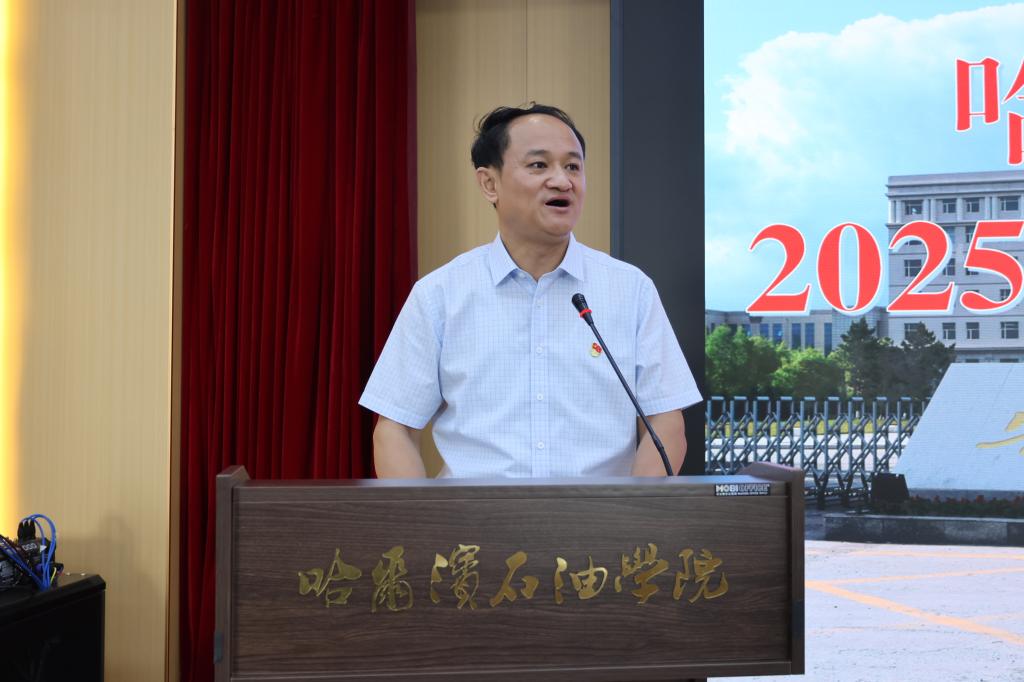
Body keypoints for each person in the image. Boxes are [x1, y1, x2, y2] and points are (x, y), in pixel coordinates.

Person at [359, 103, 701, 478]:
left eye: (573, 167)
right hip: (473, 517)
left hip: (598, 516)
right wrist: (422, 514)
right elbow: (393, 429)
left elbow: (665, 422)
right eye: (539, 165)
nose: (562, 181)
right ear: (489, 184)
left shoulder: (630, 290)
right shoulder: (440, 294)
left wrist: (629, 512)